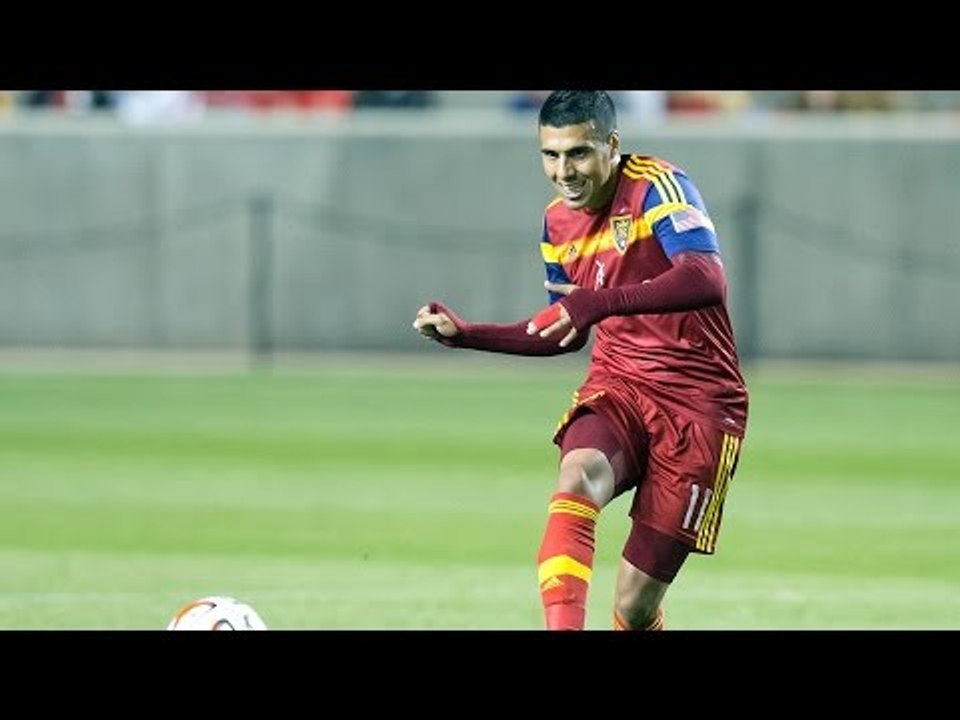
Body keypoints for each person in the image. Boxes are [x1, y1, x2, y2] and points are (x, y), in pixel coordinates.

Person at [412, 90, 748, 630]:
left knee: (635, 607)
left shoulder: (656, 185)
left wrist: (599, 300)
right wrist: (467, 334)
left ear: (611, 145)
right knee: (577, 477)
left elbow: (706, 278)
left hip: (699, 404)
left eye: (579, 154)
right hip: (618, 385)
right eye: (551, 155)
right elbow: (563, 333)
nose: (563, 171)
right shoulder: (556, 224)